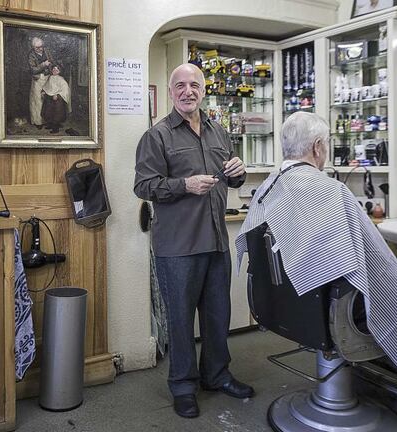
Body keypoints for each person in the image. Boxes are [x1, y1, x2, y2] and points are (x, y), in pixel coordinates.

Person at [134, 63, 254, 418]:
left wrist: (239, 173)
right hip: (178, 246)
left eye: (195, 85)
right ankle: (183, 386)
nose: (188, 91)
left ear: (204, 90)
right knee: (182, 320)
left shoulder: (219, 132)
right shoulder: (156, 137)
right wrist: (183, 185)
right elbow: (143, 186)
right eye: (181, 86)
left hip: (216, 240)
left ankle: (216, 375)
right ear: (171, 92)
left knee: (219, 315)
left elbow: (231, 179)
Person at [236, 111, 397, 368]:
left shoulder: (269, 187)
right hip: (329, 309)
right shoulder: (332, 191)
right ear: (318, 147)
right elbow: (377, 259)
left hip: (285, 305)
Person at [28, 37, 54, 129]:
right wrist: (43, 65)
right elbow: (33, 70)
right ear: (33, 47)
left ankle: (48, 120)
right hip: (38, 79)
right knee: (37, 100)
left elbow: (52, 61)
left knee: (48, 98)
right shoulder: (31, 55)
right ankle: (38, 122)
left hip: (48, 77)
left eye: (41, 46)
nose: (40, 49)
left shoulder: (46, 51)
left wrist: (51, 66)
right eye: (37, 47)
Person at [41, 64, 71, 133]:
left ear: (59, 71)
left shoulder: (61, 79)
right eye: (53, 69)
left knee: (56, 113)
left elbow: (65, 89)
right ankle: (50, 124)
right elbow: (47, 86)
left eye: (56, 70)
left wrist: (57, 95)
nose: (54, 71)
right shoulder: (50, 77)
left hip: (57, 99)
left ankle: (55, 128)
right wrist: (44, 91)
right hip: (50, 97)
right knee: (48, 111)